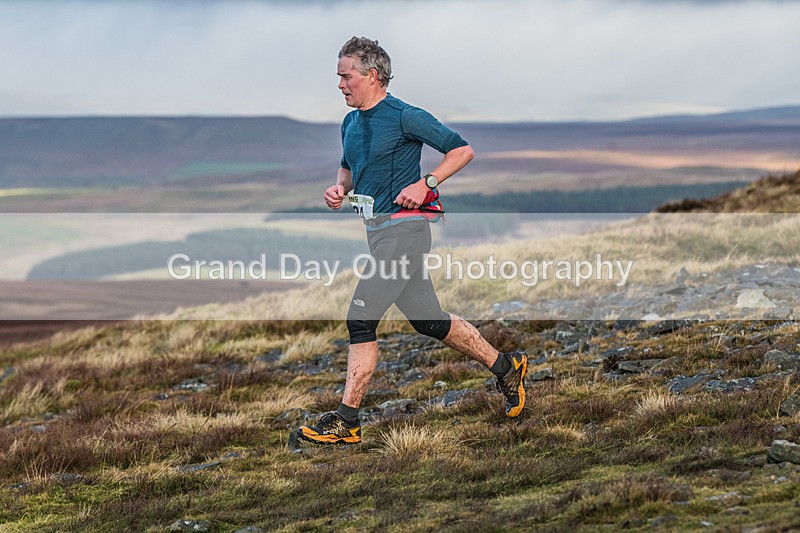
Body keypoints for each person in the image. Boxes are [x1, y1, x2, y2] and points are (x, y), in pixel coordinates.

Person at [293, 36, 527, 446]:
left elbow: (462, 150)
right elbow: (348, 170)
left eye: (346, 76)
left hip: (406, 232)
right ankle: (507, 367)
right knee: (428, 320)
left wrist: (426, 183)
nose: (340, 84)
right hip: (378, 233)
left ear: (372, 75)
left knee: (360, 318)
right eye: (339, 77)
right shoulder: (350, 123)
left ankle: (347, 422)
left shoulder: (405, 116)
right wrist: (339, 189)